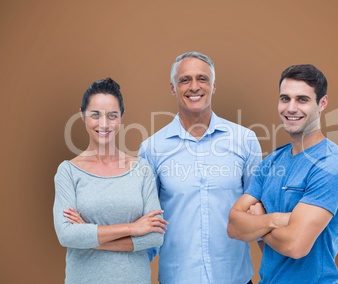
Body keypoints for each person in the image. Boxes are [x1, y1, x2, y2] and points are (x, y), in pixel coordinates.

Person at [138, 52, 262, 284]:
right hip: (177, 278)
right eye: (185, 80)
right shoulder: (152, 148)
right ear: (173, 88)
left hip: (234, 278)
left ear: (214, 86)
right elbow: (149, 222)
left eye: (202, 79)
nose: (194, 87)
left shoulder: (245, 140)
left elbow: (259, 212)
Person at [227, 64, 338, 283]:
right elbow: (234, 226)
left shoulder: (331, 164)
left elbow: (295, 245)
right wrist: (276, 219)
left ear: (322, 103)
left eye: (302, 99)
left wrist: (258, 224)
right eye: (285, 99)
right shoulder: (273, 161)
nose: (291, 108)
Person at [53, 78, 168, 284]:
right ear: (82, 115)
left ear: (121, 118)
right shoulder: (68, 172)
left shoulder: (141, 169)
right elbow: (67, 235)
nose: (104, 124)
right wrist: (132, 228)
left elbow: (154, 236)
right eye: (95, 115)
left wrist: (90, 238)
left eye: (112, 116)